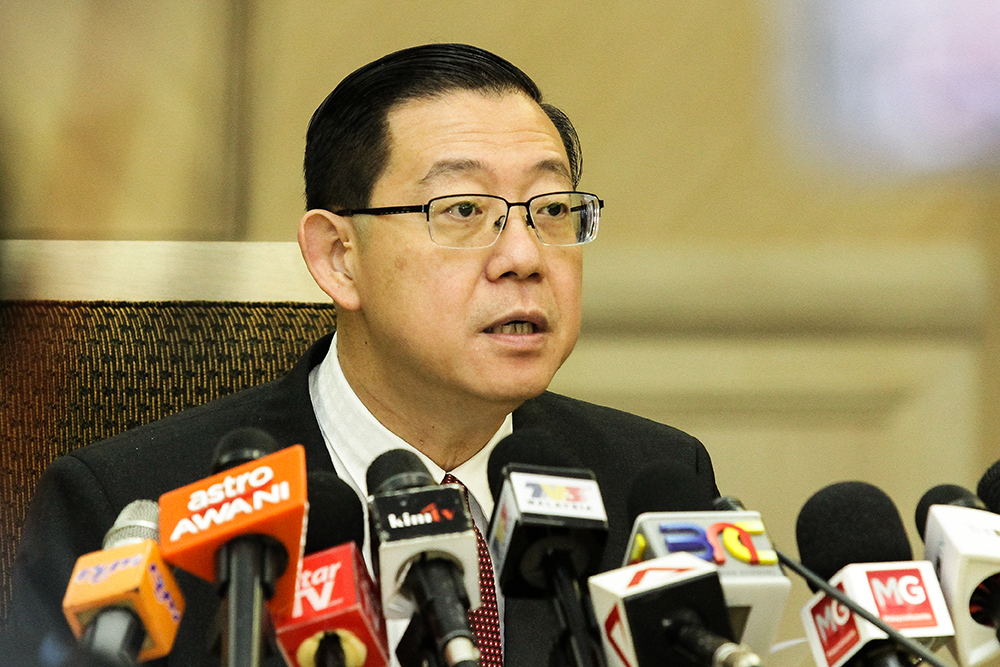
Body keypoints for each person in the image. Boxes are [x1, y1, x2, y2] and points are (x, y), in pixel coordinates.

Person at [5, 43, 717, 666]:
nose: (524, 256)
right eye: (463, 211)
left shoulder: (650, 489)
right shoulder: (134, 510)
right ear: (338, 257)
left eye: (552, 209)